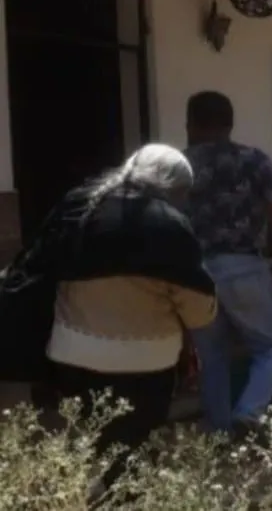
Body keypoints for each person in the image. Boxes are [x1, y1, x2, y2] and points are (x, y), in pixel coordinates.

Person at [1, 144, 216, 491]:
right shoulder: (169, 225)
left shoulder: (78, 206)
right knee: (134, 449)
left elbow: (35, 269)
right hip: (147, 364)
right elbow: (199, 310)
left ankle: (87, 494)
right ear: (175, 189)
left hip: (73, 357)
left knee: (86, 443)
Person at [183, 91, 272, 436]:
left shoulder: (177, 166)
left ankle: (218, 432)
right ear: (230, 124)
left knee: (212, 357)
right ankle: (248, 413)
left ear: (190, 124)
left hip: (193, 272)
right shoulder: (253, 160)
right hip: (242, 266)